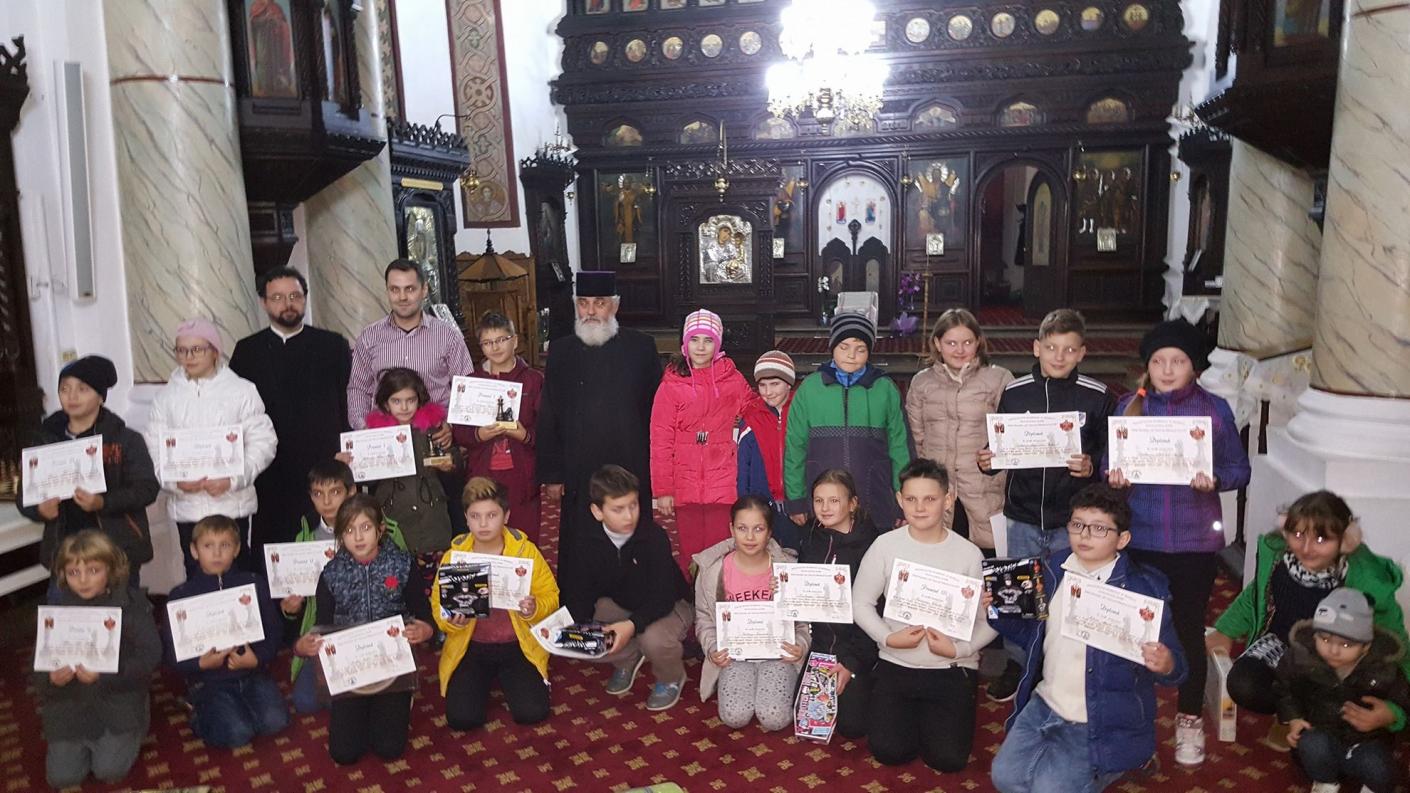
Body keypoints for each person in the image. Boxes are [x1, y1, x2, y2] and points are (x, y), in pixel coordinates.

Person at [1104, 318, 1252, 766]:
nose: (1167, 370)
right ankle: (1133, 721)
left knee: (1187, 628)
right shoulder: (1129, 407)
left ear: (1194, 367)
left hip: (1194, 542)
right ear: (1147, 366)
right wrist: (1115, 478)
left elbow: (1240, 470)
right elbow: (1107, 467)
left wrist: (1215, 479)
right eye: (1158, 361)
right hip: (1140, 537)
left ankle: (1188, 719)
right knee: (1135, 630)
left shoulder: (1214, 410)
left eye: (1178, 361)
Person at [988, 484, 1186, 793]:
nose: (1085, 535)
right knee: (1004, 778)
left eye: (1099, 529)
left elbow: (1178, 669)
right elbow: (1032, 639)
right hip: (1046, 702)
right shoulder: (1052, 569)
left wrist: (1167, 662)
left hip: (1097, 719)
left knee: (1047, 789)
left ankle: (1118, 763)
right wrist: (998, 611)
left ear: (1123, 539)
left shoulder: (1144, 591)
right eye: (1077, 524)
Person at [977, 308, 1116, 702]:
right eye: (1052, 348)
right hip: (1022, 513)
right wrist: (987, 460)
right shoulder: (1015, 392)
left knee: (1069, 594)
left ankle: (1065, 665)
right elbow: (1001, 451)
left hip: (1071, 519)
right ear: (1036, 348)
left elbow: (1111, 457)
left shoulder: (1097, 395)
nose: (1059, 356)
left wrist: (1091, 466)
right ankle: (1018, 663)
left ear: (1082, 353)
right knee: (1016, 595)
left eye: (1069, 350)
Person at [1207, 491, 1408, 744]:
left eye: (1321, 539)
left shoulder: (1365, 580)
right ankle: (1291, 715)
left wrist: (1395, 711)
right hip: (1281, 646)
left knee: (1339, 705)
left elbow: (1396, 642)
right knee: (1244, 684)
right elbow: (1256, 595)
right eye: (1298, 535)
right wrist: (1225, 630)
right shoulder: (1280, 559)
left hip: (1334, 658)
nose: (1306, 548)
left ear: (1345, 540)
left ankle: (1316, 722)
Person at [852, 458, 997, 773]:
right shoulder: (885, 546)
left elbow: (993, 619)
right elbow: (860, 602)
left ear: (948, 499)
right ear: (899, 499)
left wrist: (960, 649)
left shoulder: (969, 554)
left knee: (948, 760)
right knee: (889, 751)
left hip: (951, 667)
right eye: (911, 499)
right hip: (896, 663)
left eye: (930, 499)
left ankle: (934, 718)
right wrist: (888, 638)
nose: (919, 508)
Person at [538, 272, 662, 583]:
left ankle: (636, 595)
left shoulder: (642, 348)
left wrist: (658, 470)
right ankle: (580, 600)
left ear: (614, 306)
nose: (591, 311)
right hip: (579, 468)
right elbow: (549, 413)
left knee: (633, 536)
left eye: (600, 303)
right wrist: (553, 474)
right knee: (579, 540)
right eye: (583, 303)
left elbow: (656, 414)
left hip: (630, 462)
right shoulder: (561, 351)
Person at [295, 494, 435, 765]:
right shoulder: (331, 574)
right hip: (351, 670)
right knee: (344, 753)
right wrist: (305, 645)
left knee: (389, 748)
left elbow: (424, 614)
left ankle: (400, 699)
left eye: (365, 527)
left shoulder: (402, 565)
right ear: (340, 535)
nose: (358, 537)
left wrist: (425, 629)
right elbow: (323, 626)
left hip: (393, 666)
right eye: (349, 530)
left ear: (380, 529)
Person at [229, 266, 352, 558]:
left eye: (295, 296)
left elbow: (349, 402)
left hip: (323, 467)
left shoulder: (333, 345)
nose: (288, 304)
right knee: (274, 551)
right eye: (278, 297)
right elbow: (234, 412)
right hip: (271, 471)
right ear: (264, 302)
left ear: (305, 298)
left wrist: (347, 447)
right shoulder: (247, 351)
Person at [145, 318, 278, 578]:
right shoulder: (166, 398)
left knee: (237, 575)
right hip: (188, 508)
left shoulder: (241, 391)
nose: (189, 357)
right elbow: (154, 449)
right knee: (197, 575)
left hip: (232, 505)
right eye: (182, 350)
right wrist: (175, 482)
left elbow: (263, 441)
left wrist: (233, 479)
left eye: (197, 349)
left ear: (215, 351)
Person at [560, 465, 693, 712]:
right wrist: (573, 629)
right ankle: (628, 656)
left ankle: (670, 676)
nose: (629, 516)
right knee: (584, 637)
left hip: (670, 605)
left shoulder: (653, 536)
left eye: (633, 505)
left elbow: (663, 596)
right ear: (597, 511)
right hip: (623, 603)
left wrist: (631, 625)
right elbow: (579, 594)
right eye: (618, 509)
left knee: (653, 638)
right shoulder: (584, 542)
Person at [35, 531, 161, 789]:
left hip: (118, 700)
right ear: (63, 575)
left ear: (111, 569)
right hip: (71, 703)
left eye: (93, 570)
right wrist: (51, 678)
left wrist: (107, 674)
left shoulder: (132, 606)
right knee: (62, 778)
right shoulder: (57, 613)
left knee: (109, 770)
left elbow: (150, 656)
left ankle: (139, 718)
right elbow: (37, 665)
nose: (83, 580)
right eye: (73, 572)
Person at [20, 356, 159, 587]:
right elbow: (23, 494)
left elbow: (147, 488)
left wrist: (103, 502)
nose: (72, 396)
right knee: (67, 608)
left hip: (117, 550)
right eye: (65, 389)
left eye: (82, 389)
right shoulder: (44, 440)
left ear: (100, 397)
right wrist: (39, 509)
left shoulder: (125, 439)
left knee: (122, 607)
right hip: (64, 553)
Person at [433, 477, 559, 732]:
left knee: (533, 712)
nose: (483, 524)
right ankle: (483, 679)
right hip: (471, 645)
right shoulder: (454, 557)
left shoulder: (525, 551)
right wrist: (452, 621)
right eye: (475, 516)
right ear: (466, 518)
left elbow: (551, 595)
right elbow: (439, 605)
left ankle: (512, 678)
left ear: (506, 516)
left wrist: (534, 608)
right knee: (462, 719)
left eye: (491, 515)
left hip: (517, 644)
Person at [281, 459, 406, 714]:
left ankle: (382, 690)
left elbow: (404, 581)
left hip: (378, 629)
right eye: (318, 494)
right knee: (306, 701)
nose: (327, 502)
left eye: (335, 492)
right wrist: (291, 609)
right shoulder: (304, 536)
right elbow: (301, 604)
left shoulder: (387, 531)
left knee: (372, 694)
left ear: (352, 492)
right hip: (330, 631)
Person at [164, 515, 289, 748]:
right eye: (208, 546)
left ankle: (233, 710)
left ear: (237, 549)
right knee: (237, 733)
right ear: (194, 551)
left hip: (251, 673)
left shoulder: (254, 583)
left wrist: (257, 659)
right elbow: (172, 655)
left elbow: (274, 632)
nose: (217, 553)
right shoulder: (181, 596)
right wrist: (200, 664)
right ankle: (198, 712)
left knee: (276, 722)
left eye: (225, 545)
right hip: (209, 681)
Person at [651, 309, 761, 573]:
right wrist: (663, 490)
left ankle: (719, 594)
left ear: (718, 344)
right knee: (690, 550)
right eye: (694, 339)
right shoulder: (670, 385)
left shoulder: (731, 379)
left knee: (721, 547)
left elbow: (754, 410)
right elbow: (660, 440)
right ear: (684, 343)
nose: (700, 347)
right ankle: (692, 593)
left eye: (708, 340)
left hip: (723, 480)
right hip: (684, 483)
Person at [784, 312, 911, 531]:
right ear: (832, 347)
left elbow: (900, 449)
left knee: (873, 548)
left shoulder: (885, 389)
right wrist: (796, 499)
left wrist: (904, 500)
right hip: (823, 502)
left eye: (860, 349)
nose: (851, 355)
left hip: (874, 496)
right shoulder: (810, 389)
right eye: (844, 347)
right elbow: (795, 448)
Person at [1275, 588, 1410, 793]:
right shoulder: (1301, 657)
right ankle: (1325, 782)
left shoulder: (1384, 667)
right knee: (1311, 746)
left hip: (1367, 742)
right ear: (1314, 635)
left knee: (1382, 773)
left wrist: (1391, 716)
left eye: (1346, 644)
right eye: (1325, 639)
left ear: (1366, 646)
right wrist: (1293, 718)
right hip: (1320, 733)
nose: (1334, 650)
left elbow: (1405, 703)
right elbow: (1284, 687)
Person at [693, 496, 809, 731]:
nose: (749, 537)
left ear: (769, 532)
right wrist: (713, 648)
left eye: (758, 529)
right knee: (734, 716)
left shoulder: (787, 569)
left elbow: (804, 621)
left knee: (774, 718)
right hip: (734, 656)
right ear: (731, 529)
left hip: (778, 655)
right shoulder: (713, 571)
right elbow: (704, 619)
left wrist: (800, 645)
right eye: (742, 528)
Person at [906, 308, 1013, 550]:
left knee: (986, 557)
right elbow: (917, 438)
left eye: (967, 342)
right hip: (939, 487)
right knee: (940, 556)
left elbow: (1009, 435)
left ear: (978, 342)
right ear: (937, 343)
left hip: (982, 486)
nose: (959, 350)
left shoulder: (999, 379)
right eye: (951, 343)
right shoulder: (922, 382)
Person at [351, 367, 459, 601]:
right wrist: (354, 464)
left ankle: (435, 621)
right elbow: (365, 480)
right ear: (385, 403)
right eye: (396, 401)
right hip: (394, 521)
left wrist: (450, 463)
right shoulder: (373, 436)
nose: (404, 407)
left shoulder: (434, 428)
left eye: (410, 400)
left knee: (436, 589)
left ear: (420, 399)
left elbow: (455, 460)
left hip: (432, 520)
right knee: (396, 589)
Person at [796, 469, 879, 739]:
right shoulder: (811, 537)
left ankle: (873, 680)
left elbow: (877, 613)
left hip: (859, 648)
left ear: (852, 504)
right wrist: (785, 588)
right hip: (821, 648)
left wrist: (851, 663)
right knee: (805, 717)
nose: (825, 508)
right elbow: (804, 594)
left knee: (852, 727)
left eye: (834, 500)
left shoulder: (872, 546)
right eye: (818, 500)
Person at [346, 259, 473, 433]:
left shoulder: (447, 335)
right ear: (387, 291)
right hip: (384, 436)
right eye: (395, 289)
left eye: (410, 289)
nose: (402, 297)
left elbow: (467, 387)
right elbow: (358, 388)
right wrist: (364, 429)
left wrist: (451, 427)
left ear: (424, 290)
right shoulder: (369, 337)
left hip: (435, 433)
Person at [452, 312, 545, 544]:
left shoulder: (533, 380)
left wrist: (525, 435)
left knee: (523, 539)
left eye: (502, 339)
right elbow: (459, 432)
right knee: (486, 537)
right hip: (484, 472)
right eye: (487, 342)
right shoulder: (471, 382)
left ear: (515, 340)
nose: (495, 347)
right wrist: (479, 434)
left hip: (521, 474)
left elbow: (548, 430)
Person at [736, 350, 800, 550]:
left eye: (775, 384)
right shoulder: (751, 416)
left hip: (796, 502)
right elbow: (743, 465)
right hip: (762, 501)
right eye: (762, 385)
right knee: (765, 553)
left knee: (796, 551)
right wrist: (745, 503)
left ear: (788, 383)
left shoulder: (801, 411)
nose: (768, 392)